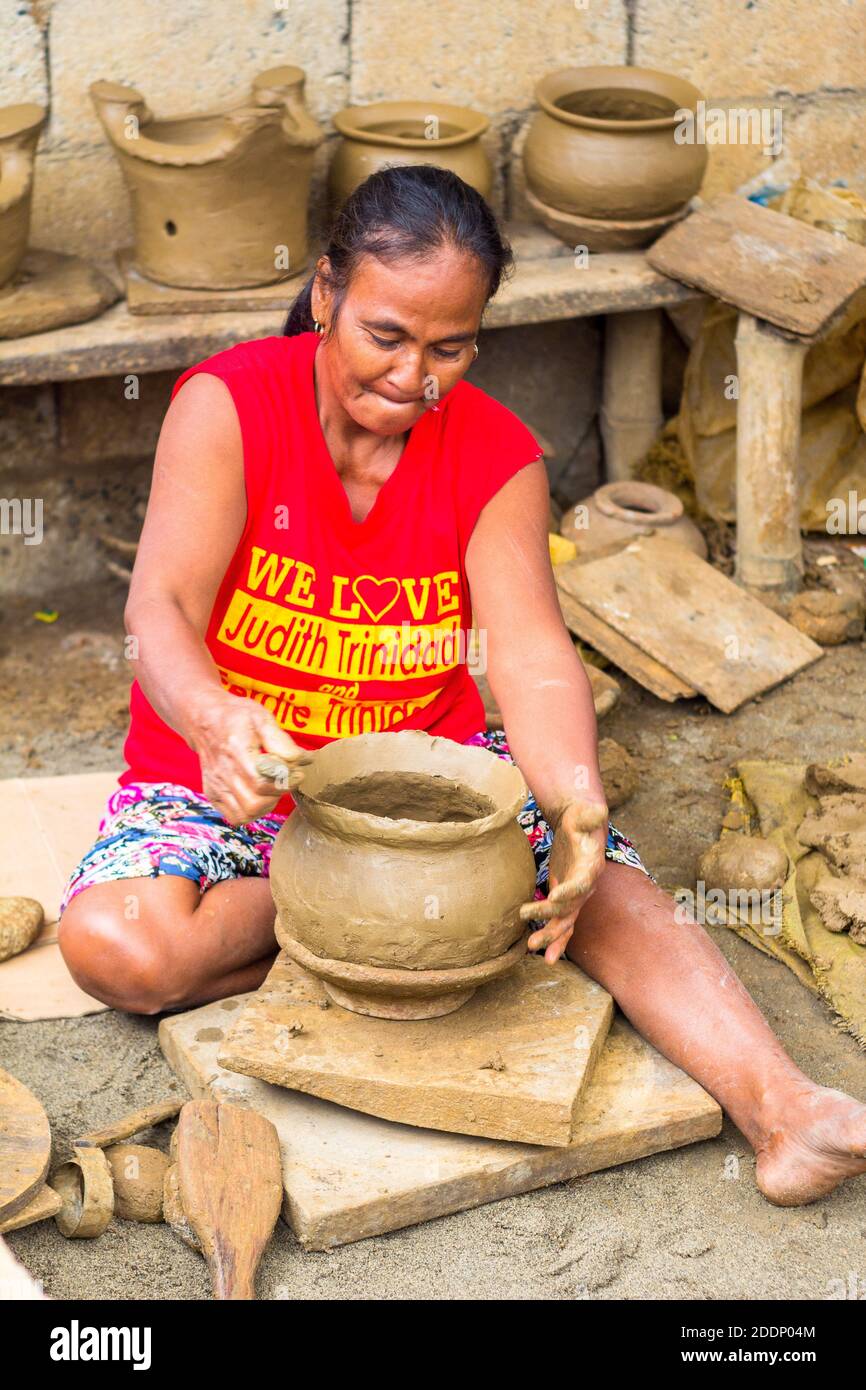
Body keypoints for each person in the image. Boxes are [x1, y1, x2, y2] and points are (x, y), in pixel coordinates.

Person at [59, 166, 866, 1207]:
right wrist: (215, 719)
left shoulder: (494, 452)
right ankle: (414, 937)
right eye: (385, 336)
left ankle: (784, 1110)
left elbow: (529, 651)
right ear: (323, 295)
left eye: (451, 347)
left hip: (421, 786)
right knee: (117, 945)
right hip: (229, 774)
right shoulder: (228, 403)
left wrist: (576, 801)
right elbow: (157, 608)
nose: (413, 377)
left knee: (601, 880)